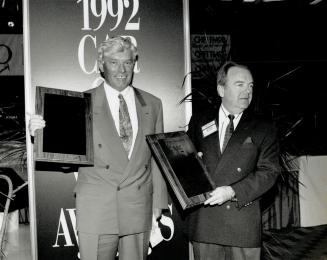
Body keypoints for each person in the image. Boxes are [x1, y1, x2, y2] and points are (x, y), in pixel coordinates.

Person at [29, 36, 168, 260]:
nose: (122, 70)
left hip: (137, 203)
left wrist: (159, 201)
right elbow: (66, 162)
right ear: (101, 66)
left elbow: (158, 159)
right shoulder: (81, 103)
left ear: (135, 64)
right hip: (97, 207)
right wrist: (41, 134)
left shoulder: (153, 103)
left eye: (128, 62)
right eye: (114, 62)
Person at [186, 61, 280, 260]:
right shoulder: (199, 121)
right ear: (221, 89)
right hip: (205, 223)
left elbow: (269, 172)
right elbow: (186, 163)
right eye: (240, 84)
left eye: (251, 86)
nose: (247, 90)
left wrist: (232, 191)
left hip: (242, 223)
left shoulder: (263, 127)